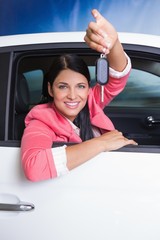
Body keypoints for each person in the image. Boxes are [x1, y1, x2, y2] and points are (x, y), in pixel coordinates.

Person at [21, 9, 137, 182]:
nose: (73, 96)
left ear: (88, 88)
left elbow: (118, 76)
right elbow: (35, 168)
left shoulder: (90, 101)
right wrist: (102, 143)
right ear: (50, 89)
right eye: (63, 87)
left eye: (81, 86)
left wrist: (114, 44)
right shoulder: (40, 122)